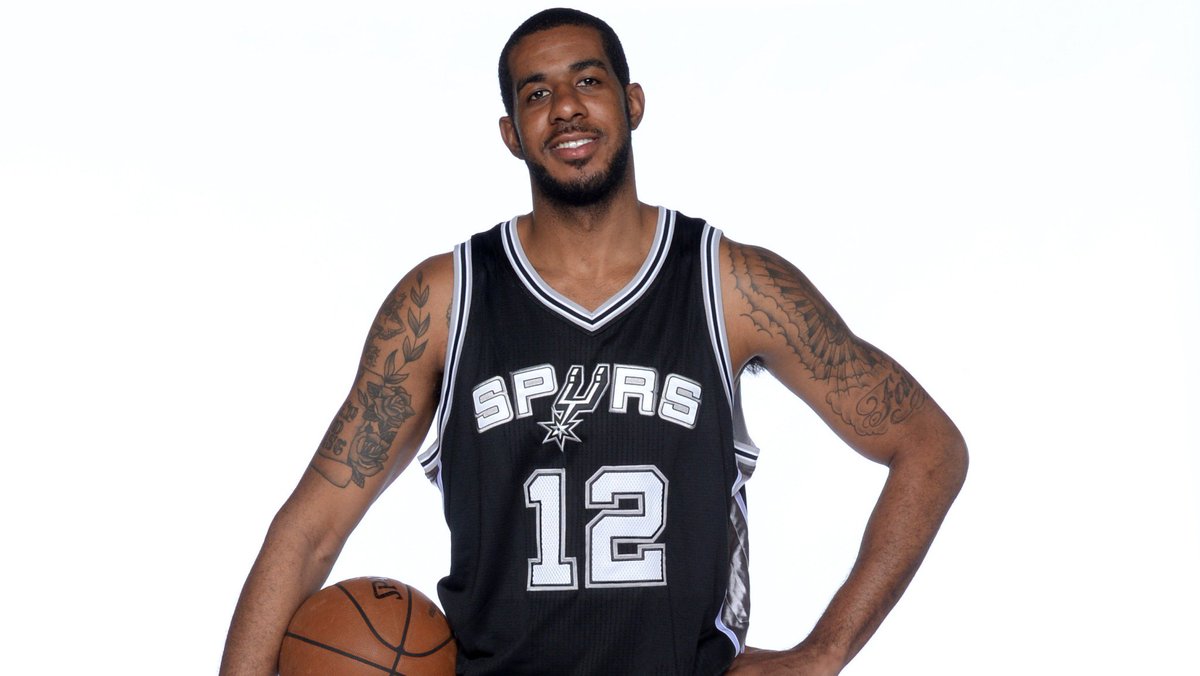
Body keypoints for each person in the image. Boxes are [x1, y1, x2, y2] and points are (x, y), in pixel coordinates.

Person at [220, 8, 968, 675]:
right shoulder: (444, 301)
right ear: (512, 133)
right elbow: (309, 533)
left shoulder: (732, 287)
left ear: (632, 102)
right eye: (536, 94)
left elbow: (929, 447)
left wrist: (825, 651)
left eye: (588, 81)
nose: (565, 108)